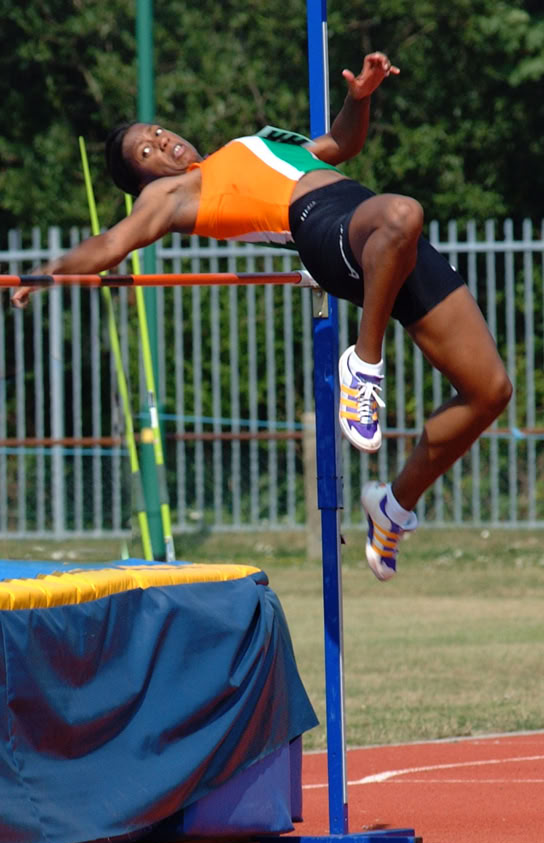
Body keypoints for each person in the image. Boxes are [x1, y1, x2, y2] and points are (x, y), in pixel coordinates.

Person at [12, 52, 512, 581]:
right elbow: (113, 244)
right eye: (147, 150)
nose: (164, 142)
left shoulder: (250, 145)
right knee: (403, 212)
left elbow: (340, 147)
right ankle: (363, 367)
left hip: (382, 237)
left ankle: (393, 506)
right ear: (143, 176)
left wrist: (357, 99)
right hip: (325, 227)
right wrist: (46, 270)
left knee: (489, 390)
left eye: (158, 132)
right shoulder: (171, 193)